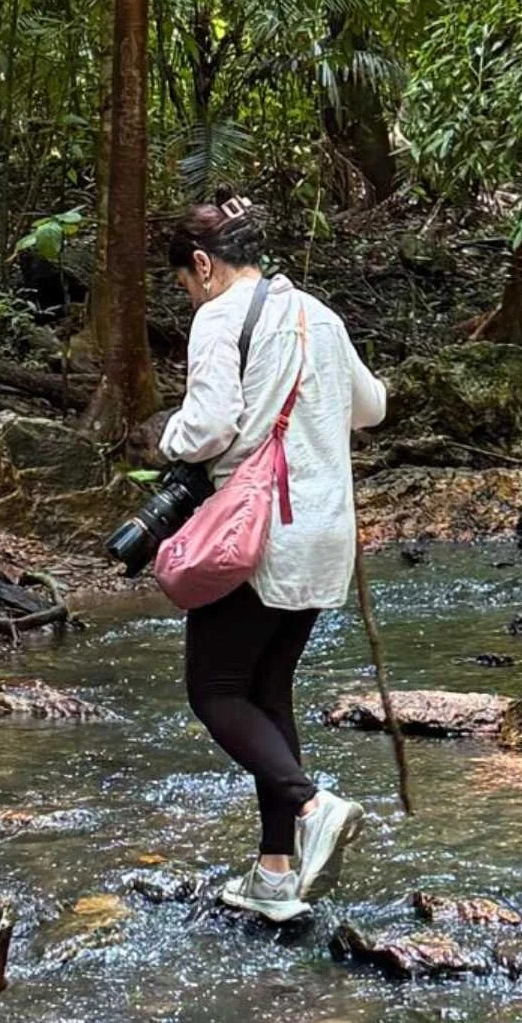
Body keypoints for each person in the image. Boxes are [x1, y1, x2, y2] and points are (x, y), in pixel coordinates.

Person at [158, 196, 387, 926]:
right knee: (266, 693)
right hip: (326, 534)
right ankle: (275, 872)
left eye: (186, 283)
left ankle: (314, 806)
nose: (190, 296)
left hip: (256, 536)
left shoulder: (219, 317)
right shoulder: (320, 315)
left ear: (203, 264)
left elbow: (208, 426)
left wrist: (168, 439)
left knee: (214, 691)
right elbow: (372, 408)